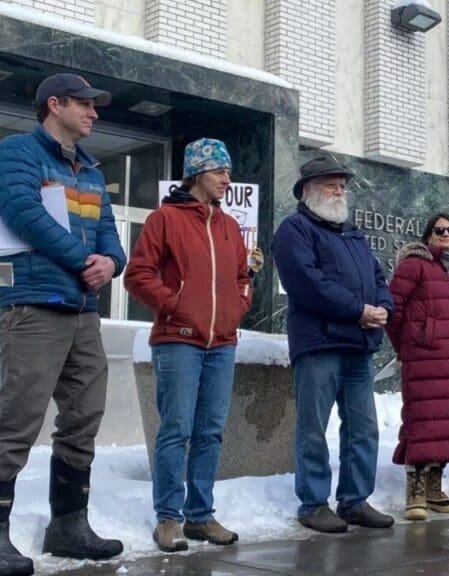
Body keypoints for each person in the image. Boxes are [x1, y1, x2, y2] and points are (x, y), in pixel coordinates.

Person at [0, 73, 125, 575]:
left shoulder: (91, 170)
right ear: (54, 104)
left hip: (82, 311)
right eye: (84, 104)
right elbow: (23, 213)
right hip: (33, 306)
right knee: (18, 420)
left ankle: (68, 526)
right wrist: (85, 261)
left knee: (84, 416)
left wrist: (111, 262)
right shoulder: (16, 153)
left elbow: (109, 234)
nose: (94, 113)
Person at [125, 139, 252, 550]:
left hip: (223, 343)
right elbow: (138, 275)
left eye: (228, 172)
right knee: (176, 430)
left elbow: (242, 278)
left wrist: (238, 307)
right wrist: (176, 306)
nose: (227, 179)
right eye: (219, 171)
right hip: (177, 340)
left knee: (210, 432)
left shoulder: (229, 226)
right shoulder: (165, 218)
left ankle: (200, 516)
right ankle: (168, 518)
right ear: (197, 173)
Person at [271, 157, 396, 533]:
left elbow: (378, 277)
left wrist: (383, 307)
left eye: (342, 185)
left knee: (363, 428)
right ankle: (313, 504)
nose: (340, 191)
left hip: (358, 345)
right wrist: (358, 310)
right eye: (331, 184)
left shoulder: (353, 234)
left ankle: (355, 501)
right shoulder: (294, 230)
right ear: (307, 190)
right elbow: (307, 283)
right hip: (320, 344)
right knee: (313, 428)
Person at [386, 212, 449, 522]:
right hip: (424, 357)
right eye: (439, 230)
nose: (446, 235)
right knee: (422, 420)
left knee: (447, 424)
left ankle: (433, 488)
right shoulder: (414, 264)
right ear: (428, 235)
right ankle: (414, 490)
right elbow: (393, 310)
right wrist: (405, 347)